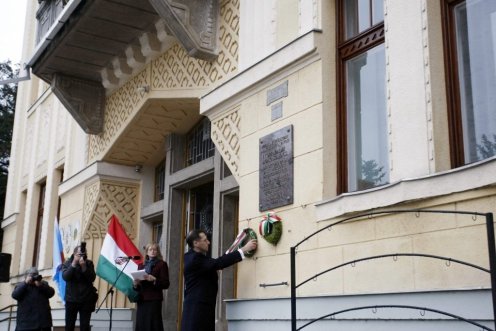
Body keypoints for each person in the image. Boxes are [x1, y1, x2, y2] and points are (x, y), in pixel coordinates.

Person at [181, 229, 257, 331]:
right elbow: (218, 263)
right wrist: (243, 249)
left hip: (200, 307)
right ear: (196, 243)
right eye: (205, 240)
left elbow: (216, 263)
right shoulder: (195, 259)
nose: (208, 242)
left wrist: (235, 246)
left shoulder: (192, 256)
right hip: (198, 309)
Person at [133, 243, 170, 331]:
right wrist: (135, 284)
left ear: (158, 252)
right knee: (142, 324)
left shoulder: (162, 264)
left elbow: (166, 284)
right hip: (142, 300)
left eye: (155, 250)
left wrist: (154, 280)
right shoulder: (141, 266)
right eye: (150, 249)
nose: (153, 251)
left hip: (154, 299)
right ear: (147, 252)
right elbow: (138, 288)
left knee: (153, 325)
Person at [62, 243, 97, 331]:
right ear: (74, 254)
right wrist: (74, 264)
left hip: (86, 299)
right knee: (69, 326)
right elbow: (65, 277)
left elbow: (92, 278)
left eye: (84, 254)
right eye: (80, 255)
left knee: (85, 326)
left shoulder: (89, 263)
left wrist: (84, 267)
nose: (82, 256)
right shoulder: (67, 263)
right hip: (71, 299)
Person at [12, 267, 55, 331]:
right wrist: (25, 283)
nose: (33, 278)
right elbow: (15, 295)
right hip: (26, 324)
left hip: (43, 324)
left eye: (35, 275)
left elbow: (51, 293)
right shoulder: (21, 285)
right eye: (31, 275)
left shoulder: (43, 284)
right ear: (26, 276)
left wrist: (41, 285)